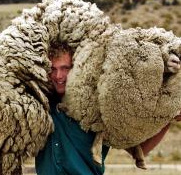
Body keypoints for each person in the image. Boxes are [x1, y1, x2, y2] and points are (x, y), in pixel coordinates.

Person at [35, 43, 181, 175]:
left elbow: (141, 149)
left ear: (76, 68)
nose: (58, 76)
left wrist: (168, 118)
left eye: (64, 68)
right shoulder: (37, 105)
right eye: (53, 69)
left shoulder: (100, 108)